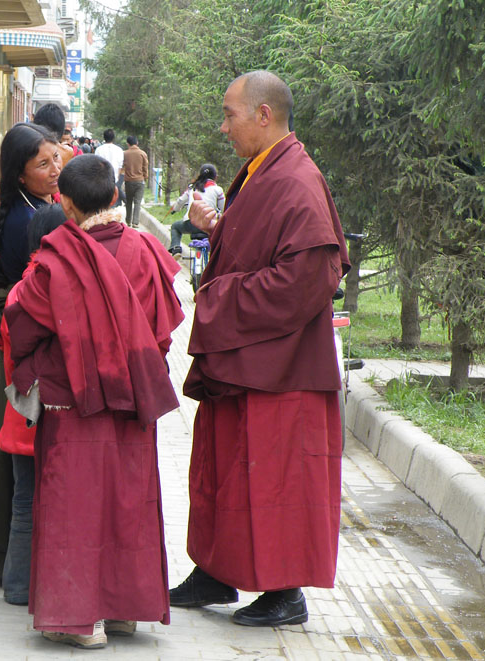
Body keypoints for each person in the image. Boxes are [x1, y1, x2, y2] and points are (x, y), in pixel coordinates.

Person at [168, 71, 349, 627]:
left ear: (264, 115)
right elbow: (260, 245)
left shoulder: (296, 179)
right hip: (246, 360)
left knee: (276, 478)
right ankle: (217, 572)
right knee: (222, 470)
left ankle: (285, 591)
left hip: (282, 367)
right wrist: (214, 230)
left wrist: (219, 299)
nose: (224, 127)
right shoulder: (261, 172)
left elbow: (309, 276)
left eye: (230, 115)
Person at [5, 154, 184, 649]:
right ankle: (125, 611)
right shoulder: (146, 251)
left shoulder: (54, 258)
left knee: (73, 505)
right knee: (129, 498)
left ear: (64, 204)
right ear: (113, 197)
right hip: (131, 399)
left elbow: (23, 324)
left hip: (73, 400)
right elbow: (165, 327)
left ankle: (80, 621)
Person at [0, 122, 62, 587]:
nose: (55, 170)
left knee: (12, 451)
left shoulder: (31, 207)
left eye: (56, 159)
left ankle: (6, 559)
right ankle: (15, 566)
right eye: (43, 164)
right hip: (27, 349)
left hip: (17, 347)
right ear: (20, 175)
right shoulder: (29, 221)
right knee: (20, 453)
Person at [0, 204, 68, 607]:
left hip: (20, 413)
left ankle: (17, 586)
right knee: (46, 502)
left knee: (24, 502)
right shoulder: (48, 285)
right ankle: (35, 585)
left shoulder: (22, 284)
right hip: (46, 416)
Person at [167, 164, 225, 255]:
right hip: (208, 224)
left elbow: (180, 201)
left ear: (200, 175)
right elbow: (223, 208)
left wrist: (175, 209)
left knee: (175, 226)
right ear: (215, 177)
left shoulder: (192, 187)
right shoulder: (218, 190)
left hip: (191, 223)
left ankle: (176, 248)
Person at [121, 135, 149, 228]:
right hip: (139, 181)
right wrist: (145, 176)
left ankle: (128, 220)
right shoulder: (142, 153)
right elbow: (145, 167)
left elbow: (122, 166)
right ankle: (135, 222)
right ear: (137, 143)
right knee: (137, 202)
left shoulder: (125, 154)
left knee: (128, 201)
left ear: (128, 144)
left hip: (128, 181)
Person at [94, 129, 124, 207]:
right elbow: (120, 166)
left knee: (103, 201)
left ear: (104, 137)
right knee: (113, 200)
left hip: (102, 178)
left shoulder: (99, 149)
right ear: (113, 138)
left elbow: (96, 164)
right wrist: (118, 176)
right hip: (114, 179)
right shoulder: (119, 150)